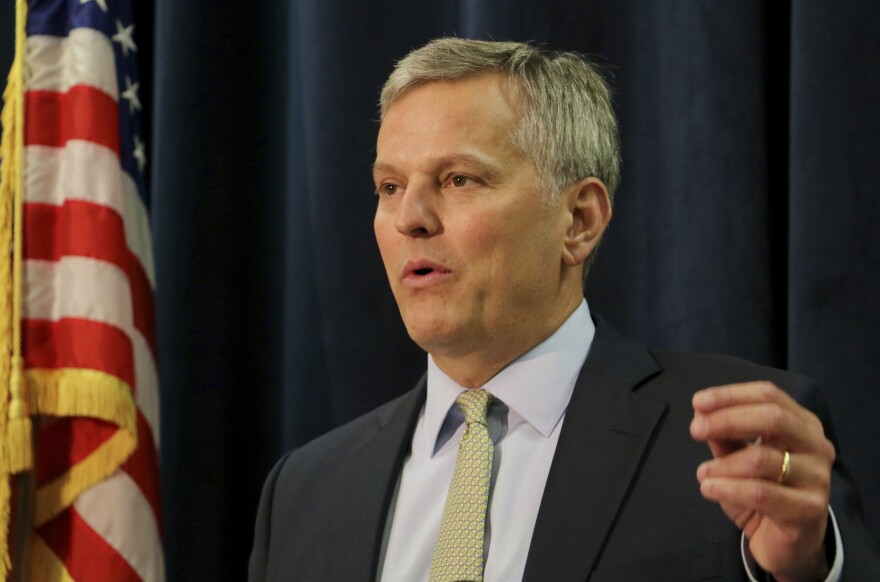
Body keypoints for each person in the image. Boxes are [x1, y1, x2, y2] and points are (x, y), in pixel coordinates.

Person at [249, 38, 880, 581]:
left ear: (579, 220)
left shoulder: (738, 441)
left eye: (458, 179)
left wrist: (805, 568)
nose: (410, 218)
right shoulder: (306, 490)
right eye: (390, 187)